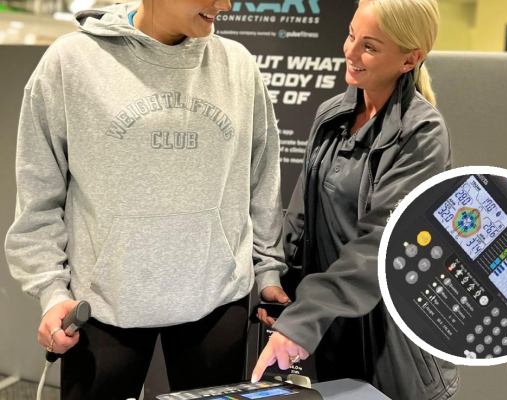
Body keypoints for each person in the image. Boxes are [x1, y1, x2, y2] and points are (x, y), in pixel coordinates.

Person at [4, 1, 290, 399]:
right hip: (105, 304)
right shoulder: (71, 63)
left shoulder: (237, 65)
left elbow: (261, 179)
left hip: (218, 299)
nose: (225, 4)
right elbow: (39, 193)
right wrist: (51, 291)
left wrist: (268, 271)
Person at [252, 0, 459, 399]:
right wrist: (277, 283)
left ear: (409, 59)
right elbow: (302, 219)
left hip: (395, 354)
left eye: (370, 46)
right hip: (332, 338)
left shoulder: (423, 133)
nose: (349, 52)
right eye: (350, 35)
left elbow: (382, 244)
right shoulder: (331, 114)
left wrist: (305, 318)